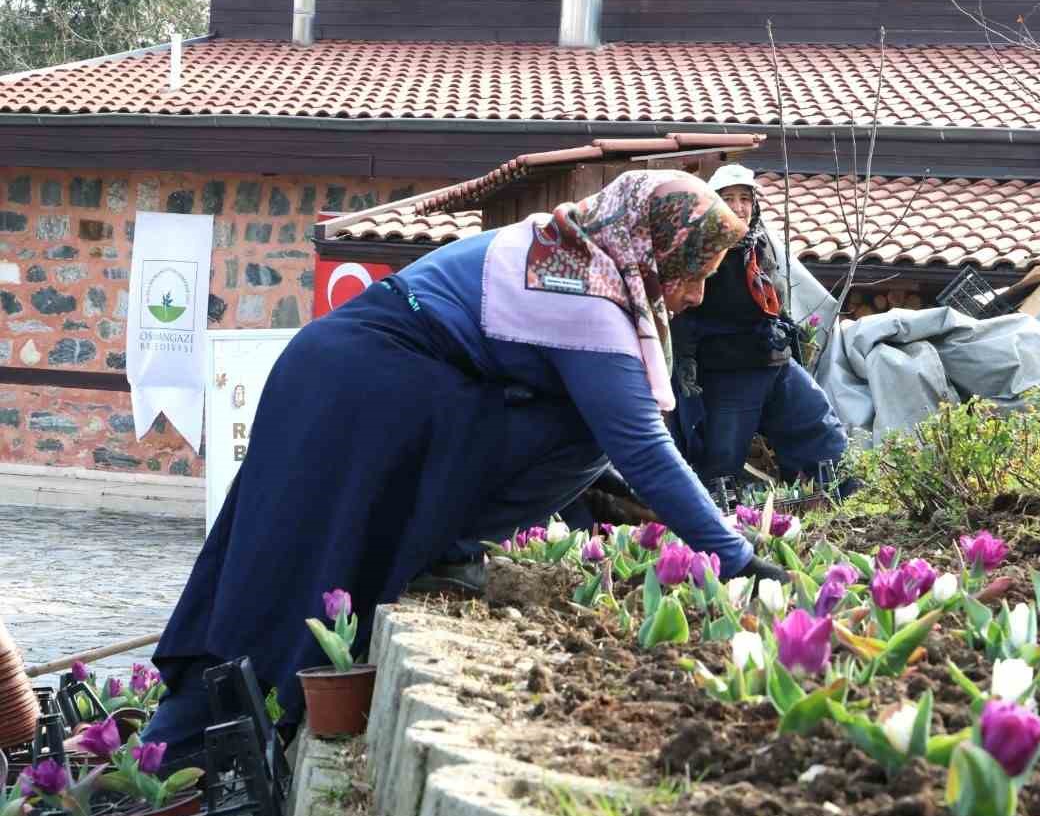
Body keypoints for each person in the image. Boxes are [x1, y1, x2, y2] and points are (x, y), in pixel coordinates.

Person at [143, 170, 788, 762]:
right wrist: (736, 560)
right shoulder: (582, 294)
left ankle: (172, 758)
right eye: (690, 270)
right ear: (652, 248)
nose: (698, 294)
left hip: (350, 377)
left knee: (280, 571)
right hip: (356, 392)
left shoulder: (578, 250)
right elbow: (641, 447)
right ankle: (164, 765)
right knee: (283, 585)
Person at [669, 163, 849, 491]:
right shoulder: (700, 251)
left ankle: (840, 500)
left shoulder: (758, 245)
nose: (738, 207)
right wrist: (685, 367)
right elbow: (682, 313)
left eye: (744, 198)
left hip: (775, 363)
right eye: (728, 199)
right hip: (729, 373)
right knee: (721, 464)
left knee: (821, 431)